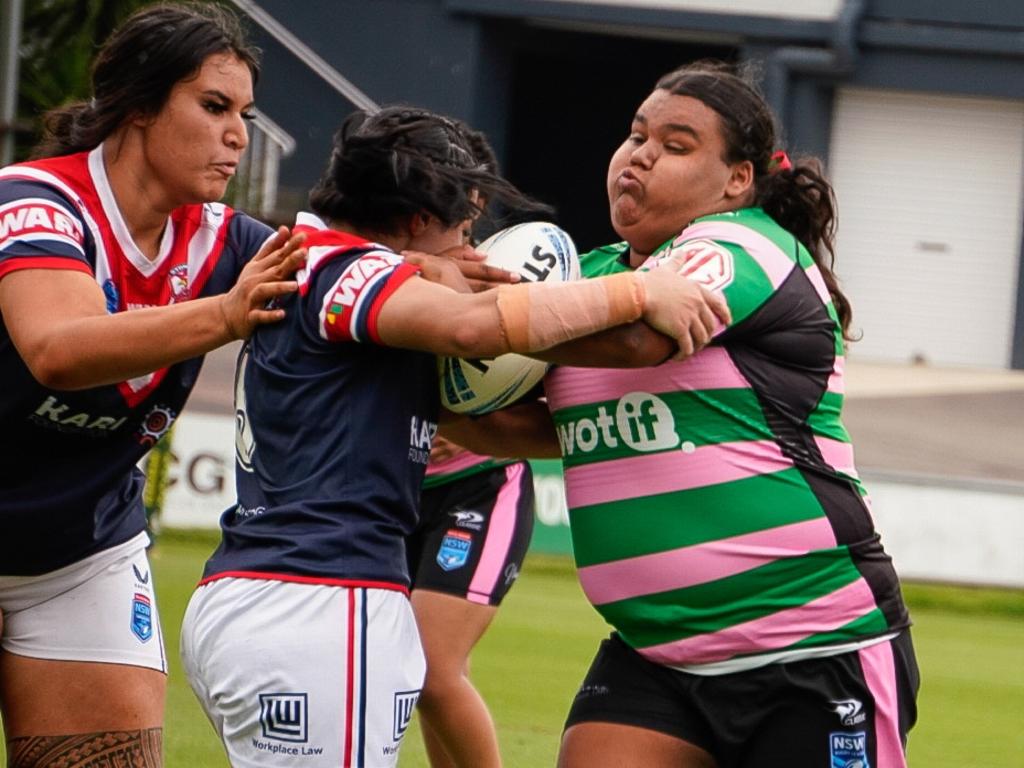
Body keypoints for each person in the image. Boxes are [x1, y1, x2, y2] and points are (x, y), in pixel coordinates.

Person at [179, 104, 730, 768]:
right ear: (418, 220)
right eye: (465, 230)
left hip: (250, 591)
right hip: (322, 602)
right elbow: (474, 329)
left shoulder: (302, 257)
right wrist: (637, 294)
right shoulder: (352, 271)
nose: (473, 253)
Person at [449, 61, 920, 768]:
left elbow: (643, 338)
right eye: (636, 135)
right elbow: (528, 427)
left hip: (815, 646)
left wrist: (464, 322)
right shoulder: (593, 278)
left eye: (675, 145)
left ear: (737, 180)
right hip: (656, 654)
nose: (639, 154)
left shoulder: (744, 246)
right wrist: (422, 369)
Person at [0, 4, 307, 766]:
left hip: (79, 556)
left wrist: (445, 277)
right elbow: (58, 349)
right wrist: (227, 313)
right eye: (213, 107)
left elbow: (355, 282)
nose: (237, 135)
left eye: (245, 113)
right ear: (138, 106)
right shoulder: (31, 200)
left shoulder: (228, 241)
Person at [406, 121, 538, 768]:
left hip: (482, 487)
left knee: (431, 668)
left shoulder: (496, 272)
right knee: (412, 678)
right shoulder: (385, 265)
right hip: (398, 486)